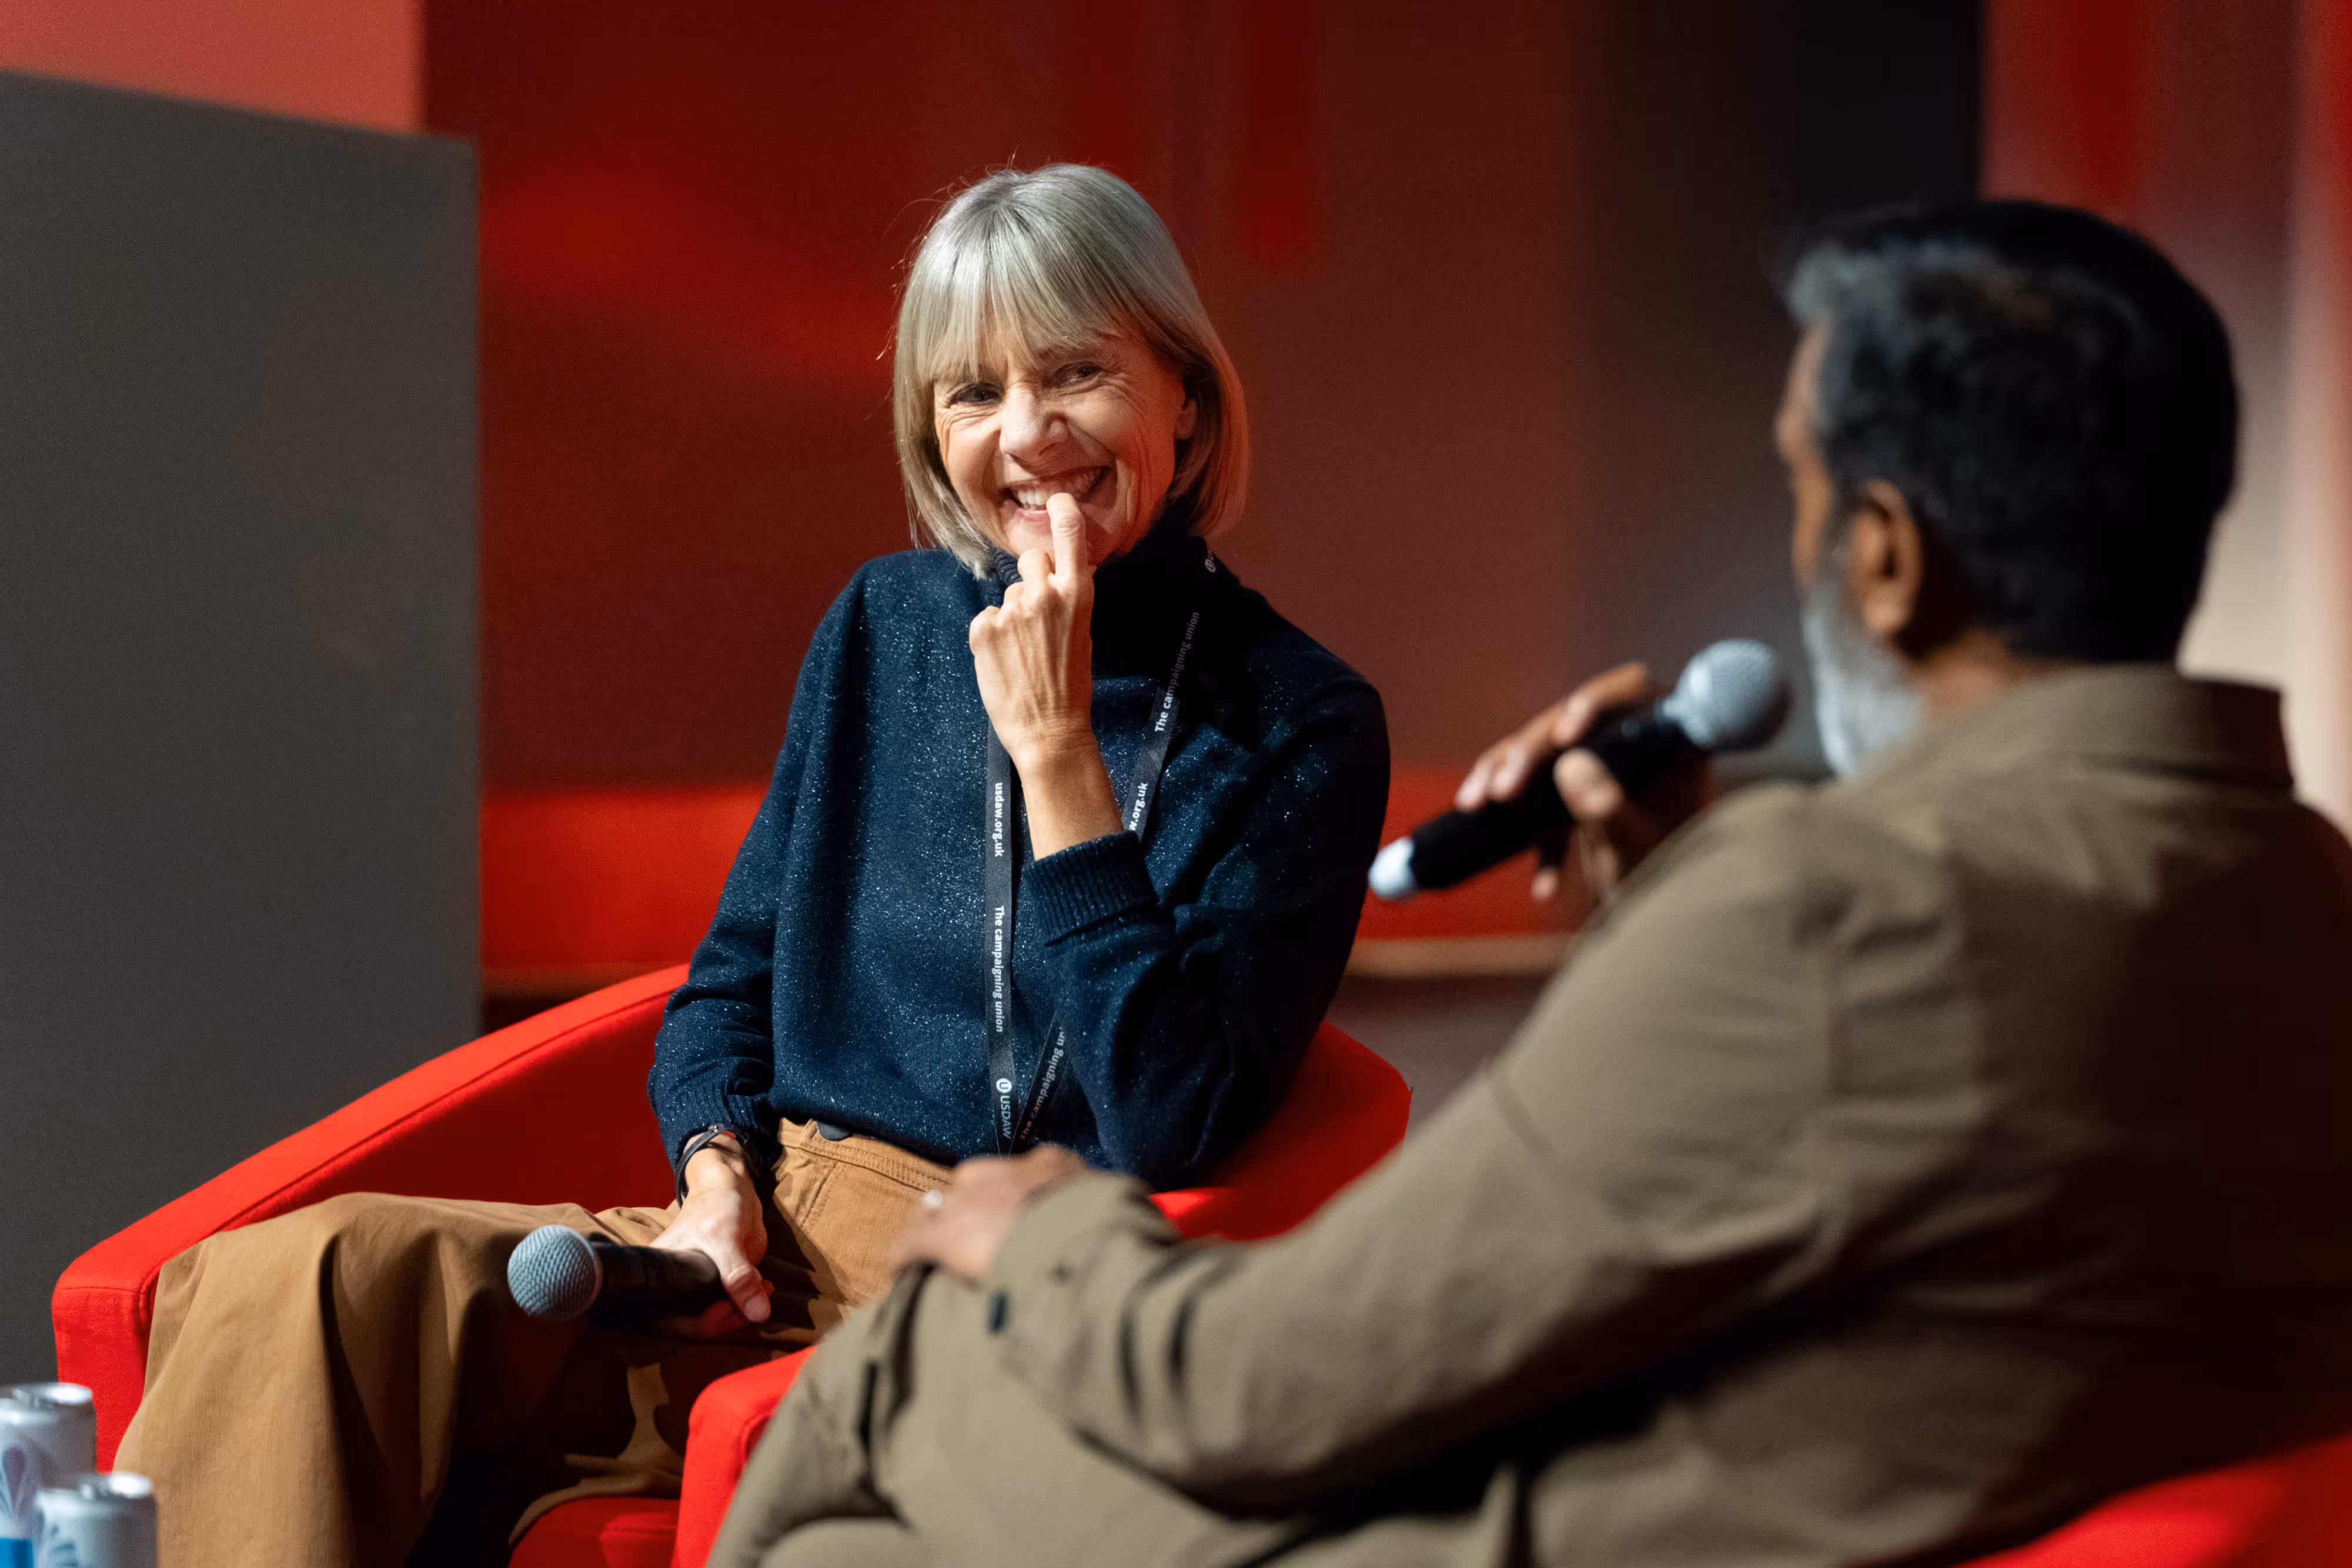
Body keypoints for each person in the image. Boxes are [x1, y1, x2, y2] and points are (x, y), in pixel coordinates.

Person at [710, 200, 2352, 1568]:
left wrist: (1041, 1230)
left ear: (1885, 556)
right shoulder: (2298, 891)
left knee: (902, 1376)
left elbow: (1258, 1385)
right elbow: (1879, 1153)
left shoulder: (1826, 910)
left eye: (1795, 486)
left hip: (1523, 1526)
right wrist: (1677, 889)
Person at [115, 164, 1388, 1568]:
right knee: (302, 1277)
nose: (1026, 436)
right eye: (972, 394)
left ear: (1183, 396)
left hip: (997, 1300)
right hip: (758, 1248)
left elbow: (1173, 1119)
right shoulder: (884, 626)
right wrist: (713, 1176)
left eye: (1077, 372)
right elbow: (730, 985)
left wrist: (1059, 761)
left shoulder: (1298, 721)